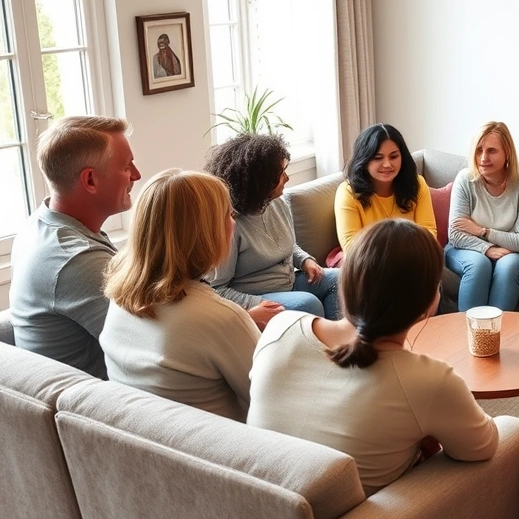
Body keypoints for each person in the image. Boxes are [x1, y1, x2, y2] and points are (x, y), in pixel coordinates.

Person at [247, 219, 499, 495]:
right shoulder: (428, 380)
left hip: (258, 509)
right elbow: (482, 447)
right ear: (430, 302)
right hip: (366, 517)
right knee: (513, 432)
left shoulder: (280, 327)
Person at [100, 170, 260, 421]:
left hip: (147, 444)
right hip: (220, 453)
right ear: (206, 232)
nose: (233, 222)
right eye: (228, 214)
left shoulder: (119, 296)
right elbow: (272, 402)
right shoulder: (221, 318)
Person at [10, 116, 141, 378]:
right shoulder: (76, 260)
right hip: (103, 406)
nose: (137, 175)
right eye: (127, 166)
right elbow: (152, 344)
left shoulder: (42, 223)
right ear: (90, 180)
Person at [205, 133, 339, 320]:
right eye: (281, 173)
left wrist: (305, 260)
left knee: (341, 280)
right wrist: (254, 304)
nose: (287, 178)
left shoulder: (278, 202)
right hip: (257, 296)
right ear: (261, 181)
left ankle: (340, 344)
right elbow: (216, 289)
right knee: (307, 303)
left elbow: (287, 244)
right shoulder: (231, 224)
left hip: (289, 283)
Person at [445, 121, 519, 311]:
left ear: (507, 153)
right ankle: (468, 336)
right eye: (479, 150)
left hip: (514, 253)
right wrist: (487, 249)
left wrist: (482, 231)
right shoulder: (465, 179)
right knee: (478, 264)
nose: (483, 158)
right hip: (465, 248)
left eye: (492, 151)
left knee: (507, 266)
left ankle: (497, 337)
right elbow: (455, 234)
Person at [335, 123, 436, 252]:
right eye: (378, 158)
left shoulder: (417, 184)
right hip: (370, 264)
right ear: (364, 160)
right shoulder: (348, 193)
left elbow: (429, 234)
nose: (387, 164)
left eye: (394, 156)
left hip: (413, 260)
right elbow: (352, 248)